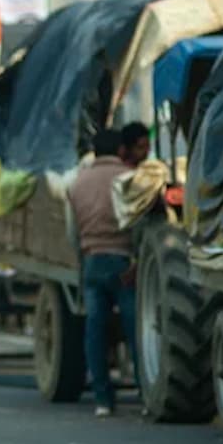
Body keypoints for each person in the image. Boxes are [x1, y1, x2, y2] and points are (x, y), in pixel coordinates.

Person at [66, 129, 140, 417]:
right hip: (124, 262)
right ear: (121, 149)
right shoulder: (129, 178)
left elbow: (72, 232)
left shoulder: (77, 183)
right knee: (135, 329)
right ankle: (146, 393)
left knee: (94, 331)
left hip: (92, 260)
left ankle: (103, 400)